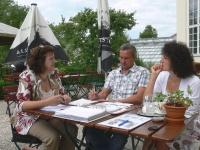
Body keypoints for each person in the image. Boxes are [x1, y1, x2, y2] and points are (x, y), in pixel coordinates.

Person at [85, 43, 150, 150]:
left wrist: (116, 101)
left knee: (118, 135)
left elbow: (138, 99)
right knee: (90, 128)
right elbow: (103, 94)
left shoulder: (142, 72)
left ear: (134, 58)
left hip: (130, 114)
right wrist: (95, 96)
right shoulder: (113, 73)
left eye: (126, 58)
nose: (123, 61)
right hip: (111, 112)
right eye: (121, 57)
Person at [13, 45, 77, 150]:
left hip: (51, 115)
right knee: (52, 137)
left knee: (71, 130)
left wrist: (66, 98)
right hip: (29, 117)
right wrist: (47, 102)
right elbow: (22, 105)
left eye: (54, 58)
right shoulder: (27, 76)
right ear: (40, 61)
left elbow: (62, 94)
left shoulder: (54, 75)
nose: (54, 61)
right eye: (51, 58)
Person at [143, 41, 200, 150]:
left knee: (159, 137)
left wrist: (159, 108)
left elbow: (190, 113)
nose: (161, 60)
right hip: (163, 122)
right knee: (149, 134)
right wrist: (153, 76)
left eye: (165, 58)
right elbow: (147, 104)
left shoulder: (194, 81)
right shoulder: (162, 76)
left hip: (189, 127)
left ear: (176, 60)